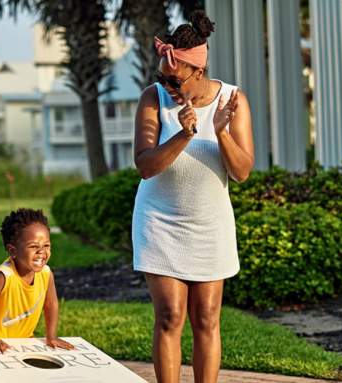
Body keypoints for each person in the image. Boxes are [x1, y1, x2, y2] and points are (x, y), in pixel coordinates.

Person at [131, 9, 255, 383]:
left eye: (174, 80)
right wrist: (183, 135)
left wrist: (220, 132)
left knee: (207, 318)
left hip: (210, 226)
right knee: (170, 315)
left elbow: (242, 171)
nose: (168, 86)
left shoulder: (232, 100)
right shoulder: (153, 100)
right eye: (162, 78)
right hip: (160, 222)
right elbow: (146, 166)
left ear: (198, 71)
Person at [0, 208, 74, 353]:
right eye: (33, 246)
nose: (41, 251)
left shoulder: (46, 273)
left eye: (46, 245)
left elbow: (51, 304)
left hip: (23, 342)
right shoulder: (4, 275)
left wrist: (51, 336)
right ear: (12, 251)